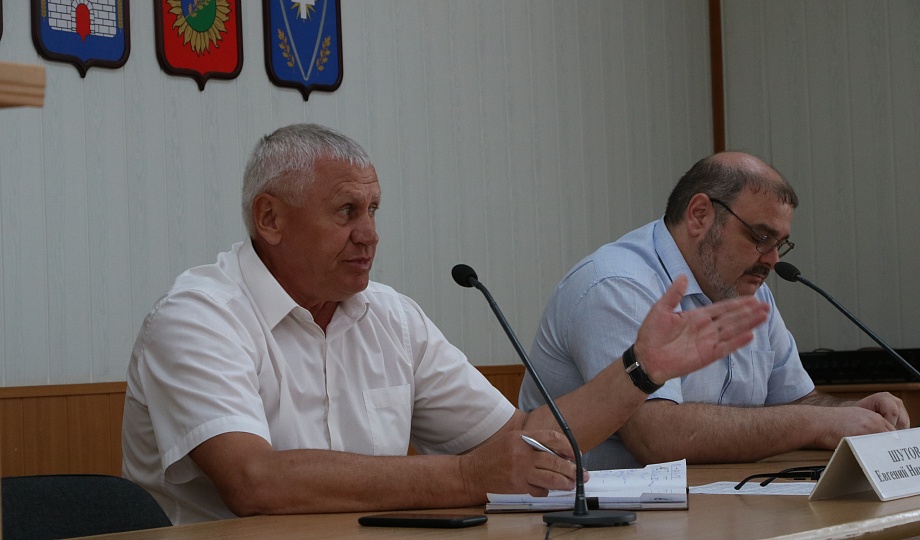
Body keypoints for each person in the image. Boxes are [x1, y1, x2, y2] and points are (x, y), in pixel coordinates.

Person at [122, 124, 770, 524]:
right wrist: (463, 478)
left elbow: (522, 442)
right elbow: (254, 482)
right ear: (270, 219)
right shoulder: (198, 318)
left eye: (374, 210)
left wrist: (639, 370)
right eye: (346, 212)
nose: (370, 235)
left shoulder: (391, 316)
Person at [519, 151, 910, 470]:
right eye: (760, 237)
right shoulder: (617, 284)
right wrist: (821, 423)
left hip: (715, 501)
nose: (772, 260)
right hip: (592, 518)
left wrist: (853, 412)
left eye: (780, 244)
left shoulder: (749, 291)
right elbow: (658, 438)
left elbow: (796, 403)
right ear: (700, 215)